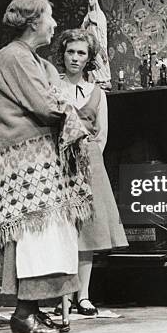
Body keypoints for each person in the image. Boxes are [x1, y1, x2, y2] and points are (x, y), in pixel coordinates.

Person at [0, 0, 93, 333]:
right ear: (33, 21)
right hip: (25, 159)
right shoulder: (11, 57)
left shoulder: (41, 63)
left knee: (53, 232)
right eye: (50, 17)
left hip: (46, 157)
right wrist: (69, 110)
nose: (54, 24)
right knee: (37, 234)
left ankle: (35, 308)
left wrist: (63, 104)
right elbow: (47, 106)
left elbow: (55, 97)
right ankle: (24, 313)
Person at [53, 29, 128, 316]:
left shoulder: (97, 93)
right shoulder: (52, 86)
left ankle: (82, 296)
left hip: (89, 161)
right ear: (63, 54)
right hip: (59, 162)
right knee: (62, 229)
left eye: (81, 53)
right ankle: (62, 296)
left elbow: (102, 135)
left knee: (87, 229)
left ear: (89, 59)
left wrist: (89, 158)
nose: (75, 57)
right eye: (70, 51)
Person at [81, 0, 111, 90]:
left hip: (99, 41)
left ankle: (103, 80)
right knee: (93, 60)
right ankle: (95, 79)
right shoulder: (88, 15)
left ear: (95, 1)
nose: (89, 1)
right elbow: (82, 28)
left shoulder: (100, 14)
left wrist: (93, 22)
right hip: (91, 41)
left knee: (100, 59)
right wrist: (86, 24)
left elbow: (102, 26)